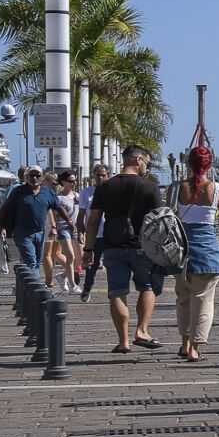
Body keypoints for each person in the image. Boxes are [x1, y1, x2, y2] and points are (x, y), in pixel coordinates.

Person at [81, 147, 163, 353]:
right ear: (137, 160)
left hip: (112, 245)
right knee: (146, 287)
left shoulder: (106, 186)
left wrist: (88, 248)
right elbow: (160, 220)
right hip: (142, 247)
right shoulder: (150, 187)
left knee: (117, 292)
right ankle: (142, 331)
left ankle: (123, 341)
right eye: (147, 162)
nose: (147, 167)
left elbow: (93, 220)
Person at [174, 145, 219, 361]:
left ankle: (184, 343)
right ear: (210, 165)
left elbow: (168, 219)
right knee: (203, 299)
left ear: (188, 164)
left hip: (180, 251)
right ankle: (195, 347)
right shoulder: (218, 190)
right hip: (207, 250)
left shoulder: (175, 189)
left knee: (183, 297)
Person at [0, 165, 62, 279]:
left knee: (35, 261)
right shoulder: (17, 190)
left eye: (37, 175)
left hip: (40, 231)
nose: (34, 178)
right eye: (32, 175)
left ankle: (26, 284)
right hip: (22, 231)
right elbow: (5, 208)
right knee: (32, 261)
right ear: (26, 177)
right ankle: (36, 288)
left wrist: (64, 223)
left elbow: (54, 208)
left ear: (41, 177)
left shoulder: (46, 192)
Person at [78, 163, 111, 299]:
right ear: (94, 176)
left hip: (109, 234)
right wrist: (81, 231)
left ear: (108, 176)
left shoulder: (112, 191)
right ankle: (87, 290)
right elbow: (81, 215)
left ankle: (112, 291)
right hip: (95, 235)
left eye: (103, 175)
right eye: (98, 175)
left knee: (111, 265)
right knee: (92, 264)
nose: (101, 177)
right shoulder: (86, 193)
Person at [48, 169, 84, 292]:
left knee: (80, 258)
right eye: (70, 181)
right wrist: (54, 228)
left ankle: (63, 276)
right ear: (64, 182)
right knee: (70, 256)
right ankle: (73, 286)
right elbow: (53, 214)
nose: (73, 183)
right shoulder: (59, 198)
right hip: (63, 228)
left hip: (76, 229)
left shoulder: (78, 196)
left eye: (75, 181)